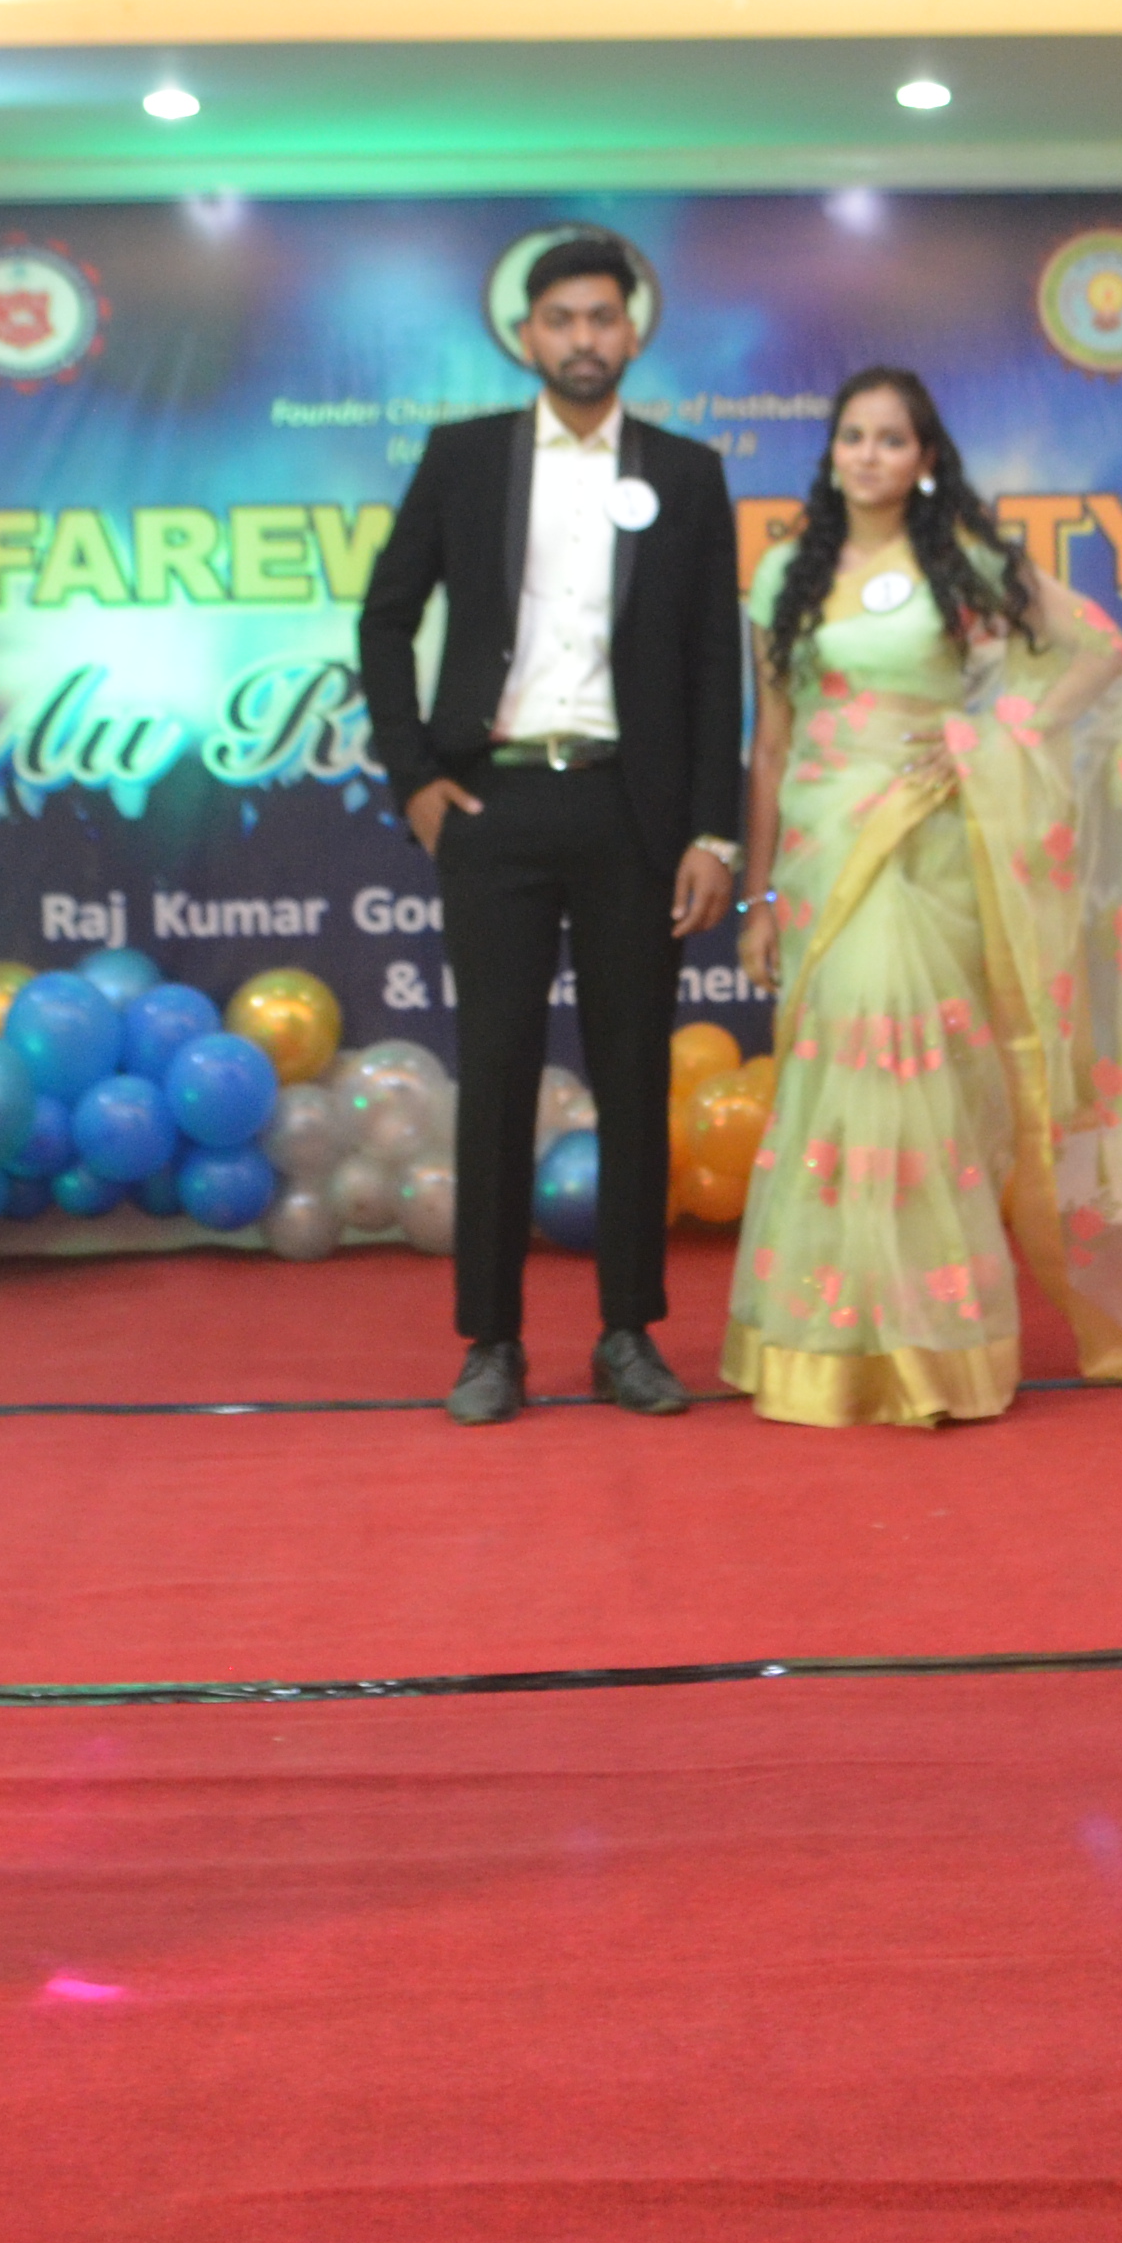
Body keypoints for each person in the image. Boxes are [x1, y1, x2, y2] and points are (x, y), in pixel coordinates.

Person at [725, 367, 1122, 1427]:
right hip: (824, 848)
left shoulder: (961, 559)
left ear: (925, 460)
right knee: (838, 1081)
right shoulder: (782, 571)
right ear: (831, 452)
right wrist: (758, 897)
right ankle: (832, 1343)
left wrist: (1000, 732)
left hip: (929, 842)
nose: (868, 455)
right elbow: (770, 744)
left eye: (891, 439)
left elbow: (1104, 650)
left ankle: (929, 1349)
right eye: (852, 436)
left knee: (914, 1075)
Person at [356, 229, 742, 1427]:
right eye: (561, 319)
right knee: (497, 1074)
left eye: (601, 319)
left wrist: (714, 834)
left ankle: (628, 1333)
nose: (582, 339)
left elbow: (711, 667)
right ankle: (491, 1341)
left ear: (632, 333)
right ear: (527, 334)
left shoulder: (686, 473)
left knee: (633, 1077)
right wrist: (414, 778)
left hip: (633, 812)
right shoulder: (464, 457)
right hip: (496, 804)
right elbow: (383, 618)